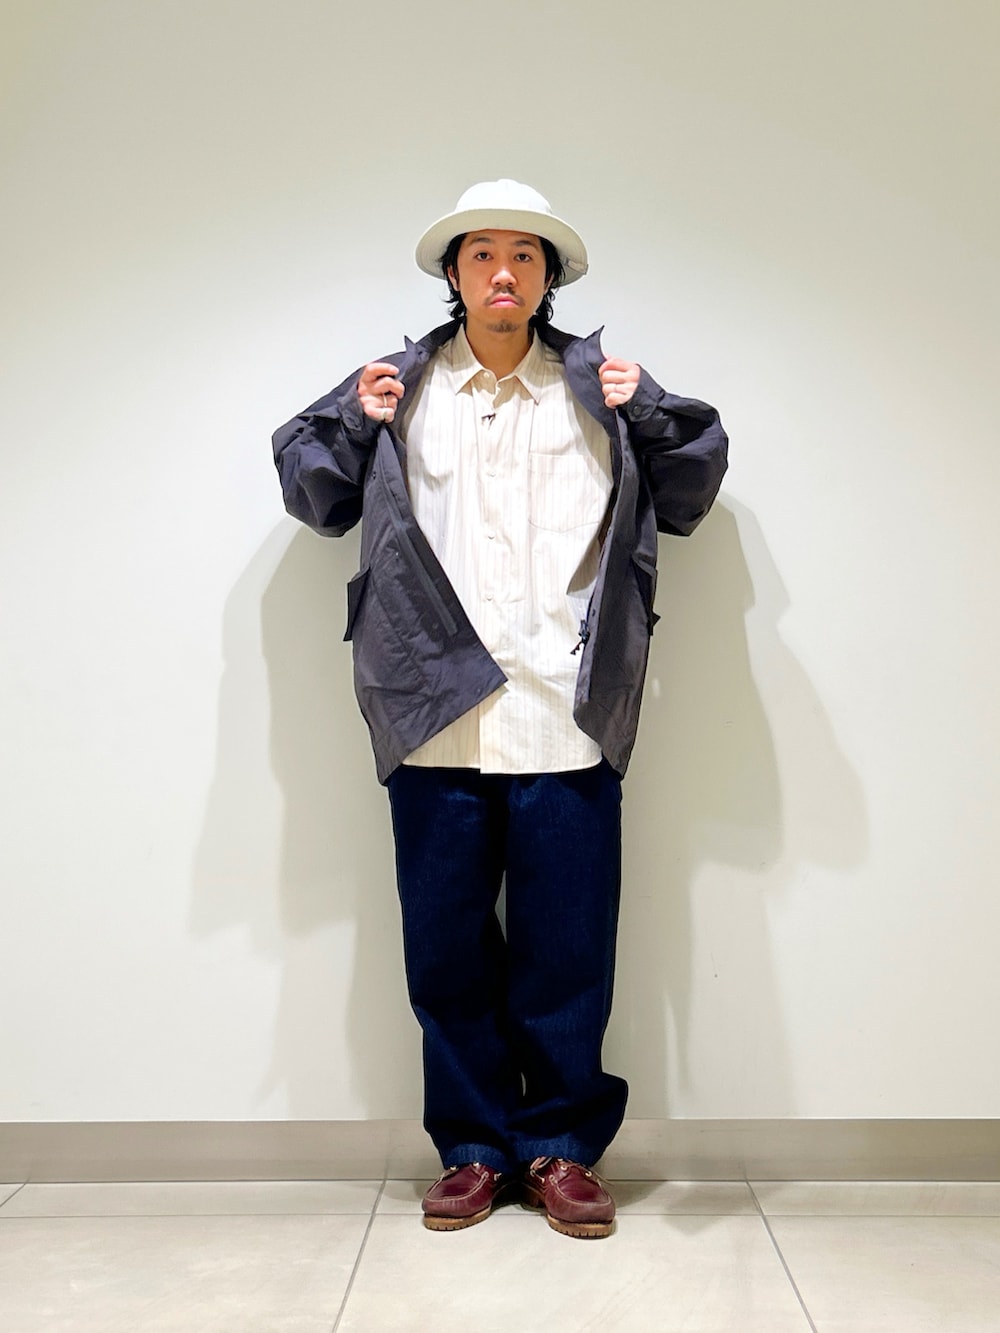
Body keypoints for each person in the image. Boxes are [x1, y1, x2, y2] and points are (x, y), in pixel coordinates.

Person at [272, 180, 728, 1239]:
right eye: (482, 254)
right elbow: (311, 494)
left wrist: (650, 410)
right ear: (454, 274)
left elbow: (693, 490)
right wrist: (347, 414)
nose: (503, 273)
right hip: (432, 707)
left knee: (568, 949)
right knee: (447, 952)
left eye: (525, 255)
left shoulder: (599, 390)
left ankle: (560, 1147)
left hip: (569, 712)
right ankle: (474, 1150)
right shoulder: (396, 388)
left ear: (549, 277)